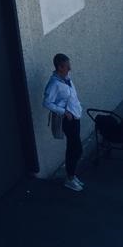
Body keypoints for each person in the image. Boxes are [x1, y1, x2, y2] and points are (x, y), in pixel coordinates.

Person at [43, 53, 84, 192]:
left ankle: (72, 176)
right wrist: (64, 112)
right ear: (60, 67)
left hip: (76, 117)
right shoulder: (54, 83)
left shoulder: (66, 78)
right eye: (67, 66)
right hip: (68, 120)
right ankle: (70, 179)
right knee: (75, 149)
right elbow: (47, 102)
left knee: (74, 148)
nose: (70, 68)